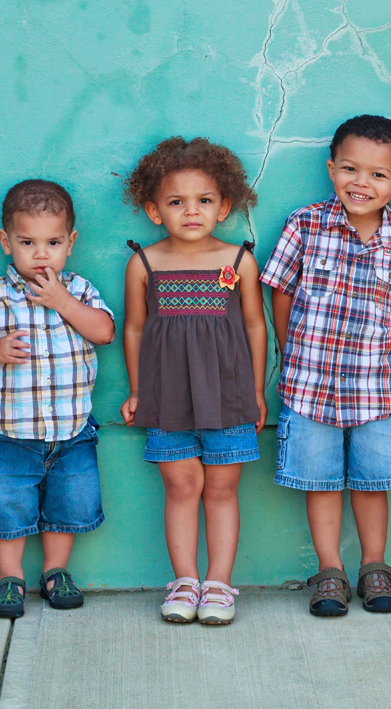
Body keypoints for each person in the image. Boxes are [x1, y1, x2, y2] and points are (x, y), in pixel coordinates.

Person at [259, 115, 391, 617]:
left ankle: (374, 568)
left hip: (376, 388)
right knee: (321, 482)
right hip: (309, 385)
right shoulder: (305, 224)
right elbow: (281, 291)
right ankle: (330, 570)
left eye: (378, 174)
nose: (362, 182)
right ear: (331, 168)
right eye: (351, 168)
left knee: (373, 482)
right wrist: (293, 348)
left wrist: (379, 348)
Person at [120, 138, 267, 625]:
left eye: (204, 200)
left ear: (223, 207)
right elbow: (135, 328)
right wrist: (137, 390)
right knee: (181, 486)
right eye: (176, 202)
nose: (191, 211)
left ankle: (219, 584)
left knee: (222, 488)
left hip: (229, 395)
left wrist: (257, 390)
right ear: (154, 210)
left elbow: (255, 326)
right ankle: (185, 581)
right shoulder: (144, 264)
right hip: (168, 396)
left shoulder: (239, 261)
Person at [0, 180, 116, 620]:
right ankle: (9, 578)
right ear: (6, 241)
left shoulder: (79, 289)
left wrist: (62, 301)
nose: (41, 254)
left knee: (69, 503)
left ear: (71, 242)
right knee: (6, 504)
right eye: (28, 242)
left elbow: (104, 331)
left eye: (53, 243)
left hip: (72, 429)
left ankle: (55, 571)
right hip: (9, 431)